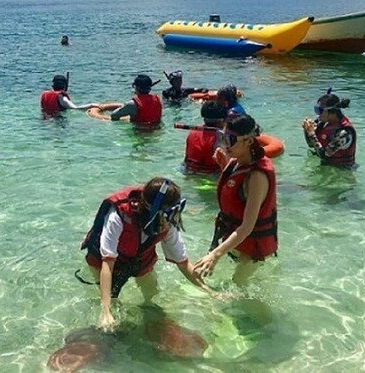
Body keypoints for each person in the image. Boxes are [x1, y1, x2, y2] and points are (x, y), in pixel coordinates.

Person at [80, 177, 207, 331]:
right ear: (151, 209)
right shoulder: (119, 216)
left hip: (139, 259)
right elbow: (107, 262)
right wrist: (105, 311)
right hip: (104, 261)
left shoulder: (168, 222)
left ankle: (149, 323)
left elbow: (183, 263)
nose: (171, 220)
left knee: (152, 292)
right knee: (111, 302)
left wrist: (209, 291)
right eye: (168, 214)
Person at [194, 114, 277, 286]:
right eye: (222, 137)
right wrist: (225, 167)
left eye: (230, 139)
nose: (224, 143)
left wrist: (215, 255)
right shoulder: (236, 163)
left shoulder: (257, 176)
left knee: (238, 285)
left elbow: (248, 226)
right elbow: (237, 193)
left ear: (248, 141)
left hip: (253, 249)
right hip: (238, 242)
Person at [302, 91, 356, 168]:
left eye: (319, 111)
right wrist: (307, 129)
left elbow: (324, 155)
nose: (317, 115)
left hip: (341, 172)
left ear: (329, 111)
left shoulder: (344, 133)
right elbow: (311, 145)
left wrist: (311, 134)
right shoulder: (324, 123)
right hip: (326, 167)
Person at [183, 101, 227, 174]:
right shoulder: (220, 137)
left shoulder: (193, 132)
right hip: (210, 176)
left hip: (189, 172)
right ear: (221, 121)